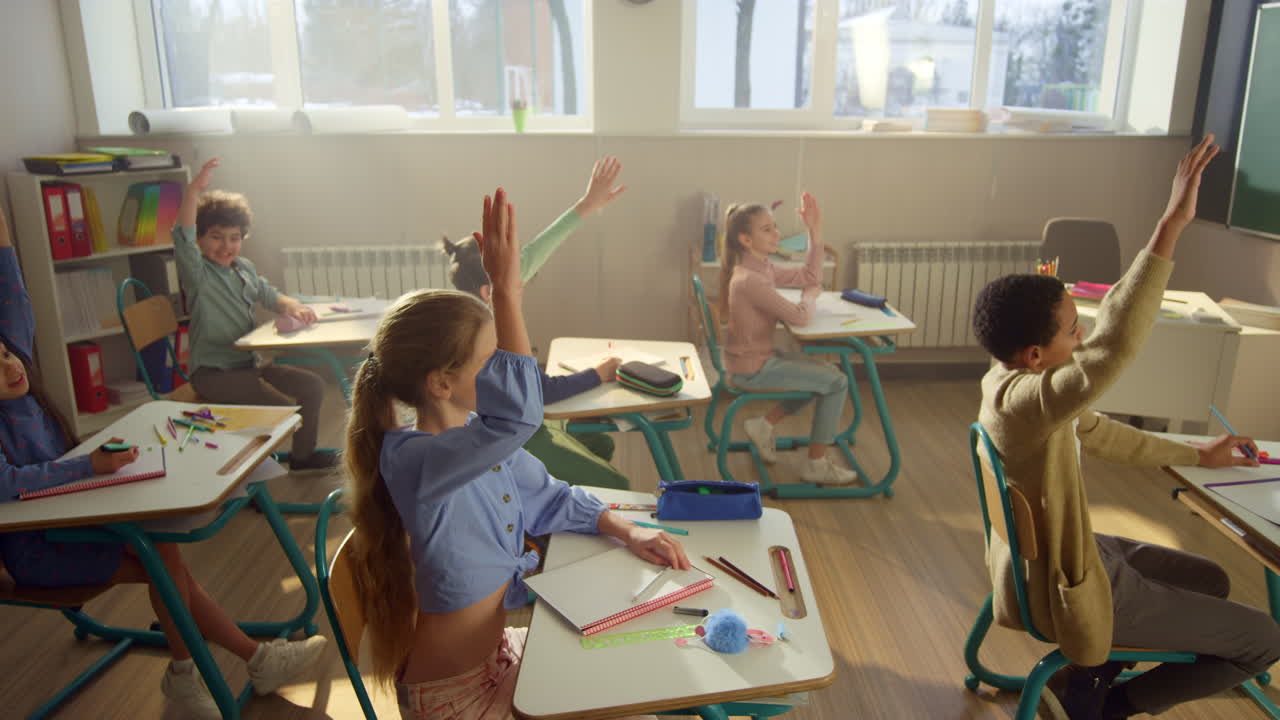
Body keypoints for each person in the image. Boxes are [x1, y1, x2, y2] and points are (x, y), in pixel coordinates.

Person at [344, 188, 688, 720]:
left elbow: (551, 498)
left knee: (640, 676)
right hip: (453, 699)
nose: (512, 367)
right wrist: (507, 294)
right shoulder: (414, 460)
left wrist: (629, 530)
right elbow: (521, 418)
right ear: (440, 383)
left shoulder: (481, 437)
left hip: (502, 657)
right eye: (494, 360)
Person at [972, 134, 1280, 719]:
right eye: (1070, 329)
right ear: (1036, 355)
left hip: (1056, 561)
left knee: (1210, 578)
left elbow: (1102, 432)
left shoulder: (1005, 383)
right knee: (1267, 639)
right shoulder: (1033, 400)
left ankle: (1098, 669)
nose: (1080, 334)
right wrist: (1170, 224)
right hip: (1071, 587)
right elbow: (1113, 344)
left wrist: (1196, 452)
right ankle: (1116, 703)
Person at [0, 204, 325, 719]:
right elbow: (8, 485)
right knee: (162, 561)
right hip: (38, 545)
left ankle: (216, 667)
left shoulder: (21, 388)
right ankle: (227, 664)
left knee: (165, 555)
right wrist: (87, 467)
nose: (10, 364)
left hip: (71, 513)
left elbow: (12, 294)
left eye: (8, 352)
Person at [442, 156, 628, 487]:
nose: (524, 286)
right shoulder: (486, 333)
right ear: (490, 291)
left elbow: (537, 251)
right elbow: (540, 392)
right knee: (617, 486)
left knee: (602, 443)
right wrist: (599, 374)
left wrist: (585, 206)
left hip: (524, 423)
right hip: (514, 441)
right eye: (521, 281)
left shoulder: (472, 312)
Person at [173, 158, 335, 471]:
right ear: (200, 239)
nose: (226, 246)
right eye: (216, 237)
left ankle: (302, 459)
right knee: (282, 411)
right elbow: (182, 234)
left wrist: (292, 306)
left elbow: (270, 294)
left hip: (250, 365)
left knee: (312, 386)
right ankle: (252, 476)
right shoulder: (198, 274)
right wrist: (193, 191)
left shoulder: (243, 269)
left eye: (234, 238)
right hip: (215, 374)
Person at [720, 193, 855, 484]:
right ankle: (815, 465)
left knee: (823, 376)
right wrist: (809, 297)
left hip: (757, 360)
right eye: (766, 229)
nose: (776, 234)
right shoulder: (750, 279)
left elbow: (808, 274)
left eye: (775, 226)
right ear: (745, 239)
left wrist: (814, 232)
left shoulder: (761, 267)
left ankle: (764, 425)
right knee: (836, 381)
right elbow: (801, 315)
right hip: (752, 370)